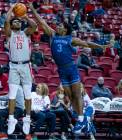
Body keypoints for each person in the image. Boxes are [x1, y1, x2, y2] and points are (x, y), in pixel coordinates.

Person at [29, 2, 107, 134]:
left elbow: (86, 43)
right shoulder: (53, 34)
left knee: (77, 95)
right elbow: (42, 22)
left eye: (60, 25)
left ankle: (81, 120)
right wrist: (32, 10)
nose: (57, 26)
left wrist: (100, 47)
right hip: (61, 70)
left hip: (71, 68)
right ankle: (82, 120)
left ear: (64, 29)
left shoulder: (70, 39)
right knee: (70, 96)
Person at [4, 4, 37, 138]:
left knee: (28, 94)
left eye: (19, 21)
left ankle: (27, 119)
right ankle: (11, 119)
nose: (17, 22)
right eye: (15, 21)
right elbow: (6, 21)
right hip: (13, 66)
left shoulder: (26, 33)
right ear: (12, 25)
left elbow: (34, 26)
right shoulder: (9, 34)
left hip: (25, 66)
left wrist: (24, 16)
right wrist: (12, 8)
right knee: (12, 94)